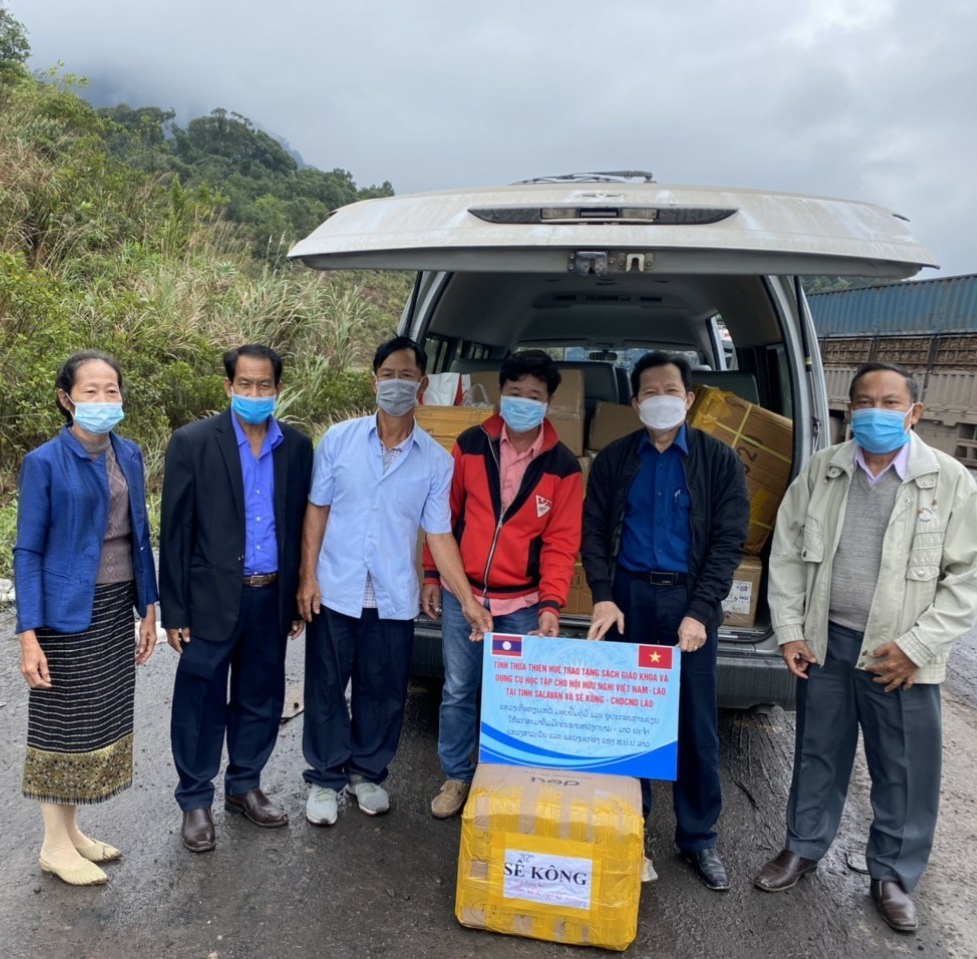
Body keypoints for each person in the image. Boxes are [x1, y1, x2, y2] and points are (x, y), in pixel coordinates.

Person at [755, 361, 977, 933]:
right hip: (828, 642)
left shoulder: (949, 480)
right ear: (849, 410)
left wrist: (917, 646)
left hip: (901, 654)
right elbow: (786, 553)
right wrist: (789, 630)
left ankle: (893, 875)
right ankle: (803, 847)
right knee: (818, 753)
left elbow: (968, 578)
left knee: (904, 770)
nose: (875, 412)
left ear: (914, 412)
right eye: (865, 402)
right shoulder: (823, 471)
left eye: (890, 403)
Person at [297, 336, 494, 826]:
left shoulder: (435, 460)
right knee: (326, 686)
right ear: (374, 380)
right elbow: (316, 510)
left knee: (383, 690)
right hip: (336, 587)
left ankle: (366, 773)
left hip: (392, 596)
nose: (397, 385)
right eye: (389, 374)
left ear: (423, 386)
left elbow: (440, 534)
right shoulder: (339, 441)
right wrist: (307, 577)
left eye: (408, 377)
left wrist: (468, 600)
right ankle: (324, 778)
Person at [581, 351, 749, 891]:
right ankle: (628, 828)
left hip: (688, 604)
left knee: (695, 727)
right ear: (635, 403)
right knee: (625, 721)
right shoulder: (613, 459)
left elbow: (727, 544)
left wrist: (702, 611)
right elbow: (594, 534)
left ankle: (698, 839)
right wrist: (602, 596)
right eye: (649, 391)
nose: (660, 399)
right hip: (627, 600)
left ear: (689, 398)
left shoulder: (718, 461)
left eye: (670, 390)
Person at [159, 344, 313, 852]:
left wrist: (294, 595)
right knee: (200, 700)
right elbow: (176, 532)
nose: (254, 393)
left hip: (269, 597)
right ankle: (196, 800)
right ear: (228, 387)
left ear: (277, 389)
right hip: (209, 600)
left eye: (263, 386)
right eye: (244, 385)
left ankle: (244, 785)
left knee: (261, 697)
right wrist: (174, 610)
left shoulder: (296, 446)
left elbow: (296, 527)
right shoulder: (194, 442)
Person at [14, 351, 159, 886]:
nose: (102, 400)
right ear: (66, 398)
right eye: (90, 391)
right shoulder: (45, 462)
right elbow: (27, 551)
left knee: (98, 719)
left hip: (116, 605)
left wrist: (149, 608)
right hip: (64, 614)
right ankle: (53, 845)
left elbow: (140, 537)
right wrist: (28, 635)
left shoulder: (130, 454)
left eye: (111, 390)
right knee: (63, 724)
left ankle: (72, 834)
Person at [420, 350, 583, 819]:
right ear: (502, 395)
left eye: (534, 395)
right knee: (457, 688)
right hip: (461, 594)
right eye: (515, 393)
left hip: (523, 603)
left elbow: (560, 543)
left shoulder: (563, 466)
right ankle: (457, 776)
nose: (523, 402)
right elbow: (443, 517)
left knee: (513, 695)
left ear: (549, 402)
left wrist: (551, 604)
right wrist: (434, 574)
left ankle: (505, 780)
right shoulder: (472, 444)